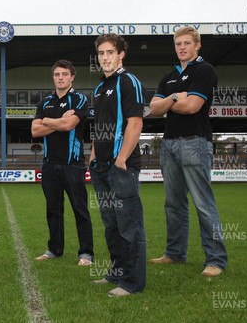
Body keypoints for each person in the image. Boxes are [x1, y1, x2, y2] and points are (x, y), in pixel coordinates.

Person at [149, 26, 227, 277]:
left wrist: (168, 103)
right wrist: (173, 98)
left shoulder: (205, 70)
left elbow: (193, 106)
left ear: (197, 45)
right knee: (173, 204)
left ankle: (215, 259)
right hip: (169, 143)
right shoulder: (169, 75)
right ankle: (174, 253)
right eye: (178, 43)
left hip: (195, 143)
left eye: (186, 43)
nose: (182, 47)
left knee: (203, 203)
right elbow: (154, 109)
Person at [88, 33, 146, 297]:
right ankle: (117, 273)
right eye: (101, 53)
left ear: (121, 54)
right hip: (100, 167)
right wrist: (92, 155)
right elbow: (99, 126)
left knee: (129, 225)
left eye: (110, 52)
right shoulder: (100, 87)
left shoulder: (129, 82)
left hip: (121, 166)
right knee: (111, 225)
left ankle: (132, 282)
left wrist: (121, 159)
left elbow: (135, 123)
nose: (105, 58)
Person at [31, 60, 94, 266]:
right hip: (49, 165)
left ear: (72, 77)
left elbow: (69, 125)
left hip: (73, 165)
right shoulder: (44, 103)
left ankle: (86, 253)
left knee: (80, 209)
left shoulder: (79, 100)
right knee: (53, 210)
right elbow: (35, 131)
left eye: (64, 74)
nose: (60, 77)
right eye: (57, 74)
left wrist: (47, 120)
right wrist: (56, 120)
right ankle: (54, 249)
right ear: (53, 77)